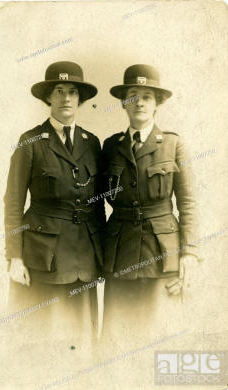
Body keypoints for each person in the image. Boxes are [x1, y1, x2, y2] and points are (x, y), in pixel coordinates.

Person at [3, 62, 105, 383]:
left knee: (81, 338)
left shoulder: (92, 142)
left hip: (83, 255)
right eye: (59, 91)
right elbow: (13, 201)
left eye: (72, 92)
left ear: (80, 99)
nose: (66, 98)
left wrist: (101, 254)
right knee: (42, 334)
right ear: (49, 97)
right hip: (43, 254)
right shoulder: (31, 141)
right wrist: (14, 256)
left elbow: (98, 203)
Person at [100, 64, 199, 361]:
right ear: (124, 103)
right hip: (119, 254)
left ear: (157, 103)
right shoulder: (111, 147)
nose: (139, 102)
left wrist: (189, 253)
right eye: (133, 95)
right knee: (116, 343)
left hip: (162, 255)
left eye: (147, 96)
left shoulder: (173, 143)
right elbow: (96, 200)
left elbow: (188, 202)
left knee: (161, 341)